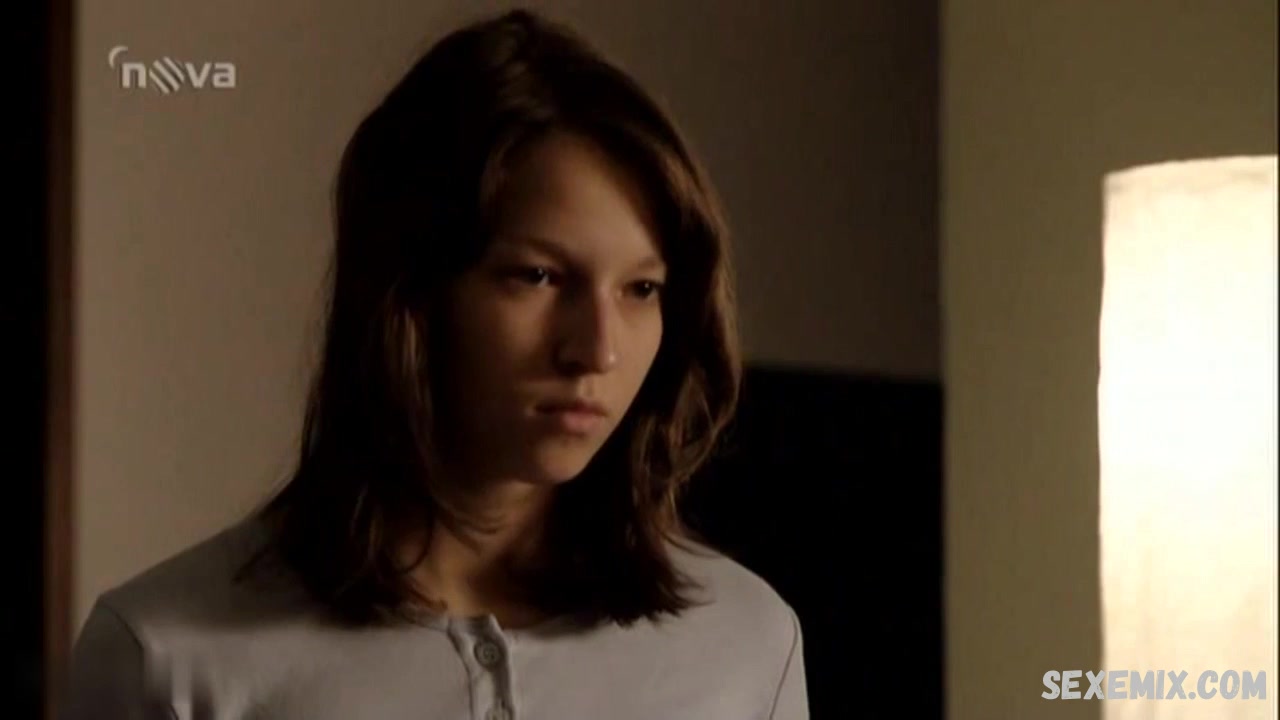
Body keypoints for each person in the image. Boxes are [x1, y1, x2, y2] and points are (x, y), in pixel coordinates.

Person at [60, 8, 808, 719]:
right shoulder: (168, 655)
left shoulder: (742, 644)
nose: (599, 350)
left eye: (641, 289)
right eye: (539, 277)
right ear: (410, 292)